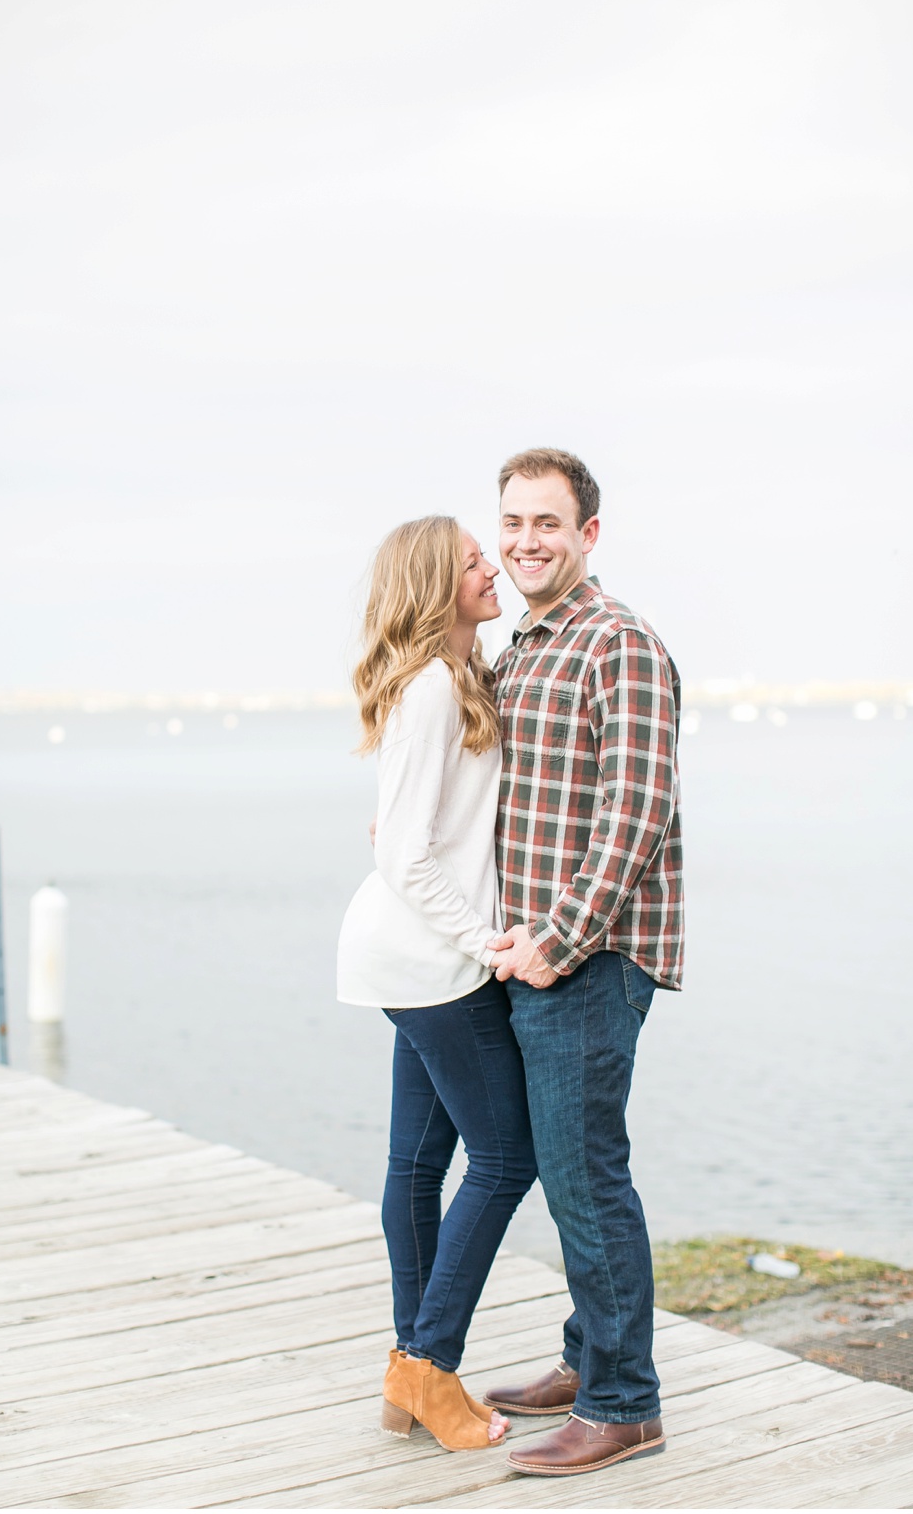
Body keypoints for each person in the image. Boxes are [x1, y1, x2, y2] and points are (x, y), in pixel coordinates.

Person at [474, 448, 683, 1479]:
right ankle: (582, 1355)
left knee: (588, 1178)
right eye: (511, 522)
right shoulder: (522, 646)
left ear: (587, 533)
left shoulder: (618, 644)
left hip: (591, 959)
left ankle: (622, 1402)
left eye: (546, 523)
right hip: (531, 956)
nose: (525, 541)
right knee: (567, 1174)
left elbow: (634, 816)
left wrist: (555, 942)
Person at [337, 516, 534, 1452]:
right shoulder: (426, 690)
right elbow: (409, 859)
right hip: (430, 959)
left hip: (417, 957)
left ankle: (406, 1373)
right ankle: (429, 1365)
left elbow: (408, 832)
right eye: (472, 561)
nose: (491, 565)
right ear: (433, 584)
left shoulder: (460, 678)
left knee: (418, 1166)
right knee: (506, 1158)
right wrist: (489, 939)